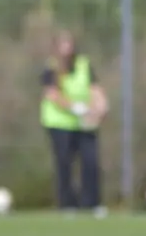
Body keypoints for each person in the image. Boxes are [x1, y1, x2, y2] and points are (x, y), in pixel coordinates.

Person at [42, 29, 108, 216]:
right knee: (64, 163)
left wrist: (100, 107)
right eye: (62, 45)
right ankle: (67, 205)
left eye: (69, 45)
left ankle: (93, 204)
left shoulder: (84, 65)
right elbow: (52, 94)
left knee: (91, 161)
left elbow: (95, 88)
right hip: (59, 123)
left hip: (84, 123)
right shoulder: (51, 67)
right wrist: (75, 108)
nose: (67, 49)